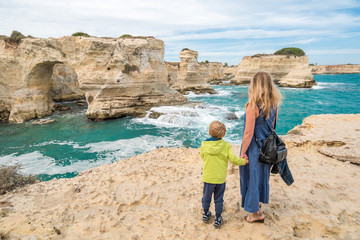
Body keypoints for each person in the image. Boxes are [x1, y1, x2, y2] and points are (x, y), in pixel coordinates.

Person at [239, 71, 284, 223]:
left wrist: (243, 152)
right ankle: (258, 206)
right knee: (261, 178)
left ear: (255, 86)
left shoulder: (252, 106)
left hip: (253, 148)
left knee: (251, 178)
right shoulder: (274, 105)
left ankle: (255, 215)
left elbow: (248, 133)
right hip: (267, 149)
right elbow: (273, 128)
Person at [200, 121, 248, 228]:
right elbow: (233, 160)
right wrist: (243, 161)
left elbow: (202, 156)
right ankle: (217, 218)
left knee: (206, 197)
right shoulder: (226, 145)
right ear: (223, 134)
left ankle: (206, 213)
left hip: (208, 178)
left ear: (209, 132)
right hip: (220, 179)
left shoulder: (204, 144)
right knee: (218, 199)